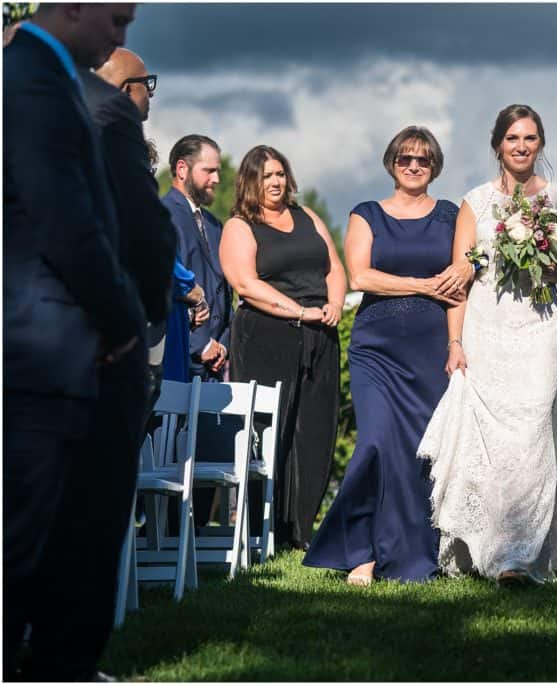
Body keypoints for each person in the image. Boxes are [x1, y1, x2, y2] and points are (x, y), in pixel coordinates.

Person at [23, 43, 179, 682]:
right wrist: (135, 318)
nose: (148, 97)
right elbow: (144, 237)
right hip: (93, 346)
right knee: (86, 513)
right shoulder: (110, 123)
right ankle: (63, 665)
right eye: (148, 84)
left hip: (29, 342)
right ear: (123, 85)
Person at [2, 3, 145, 680]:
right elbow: (68, 222)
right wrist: (121, 324)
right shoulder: (31, 79)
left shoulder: (42, 75)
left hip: (43, 348)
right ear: (73, 5)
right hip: (37, 350)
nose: (120, 39)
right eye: (115, 21)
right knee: (19, 560)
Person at [417, 104, 557, 587]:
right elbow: (460, 280)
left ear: (541, 144)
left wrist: (545, 259)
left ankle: (521, 555)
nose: (521, 146)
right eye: (512, 138)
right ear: (497, 144)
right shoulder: (474, 202)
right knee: (491, 442)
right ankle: (488, 547)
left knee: (531, 433)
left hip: (539, 328)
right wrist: (455, 341)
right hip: (486, 329)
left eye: (530, 138)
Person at [305, 127, 462, 584]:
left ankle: (417, 554)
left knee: (421, 452)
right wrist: (422, 284)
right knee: (374, 442)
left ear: (434, 166)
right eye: (405, 158)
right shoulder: (366, 213)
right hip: (377, 348)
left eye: (424, 160)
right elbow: (360, 276)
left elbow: (460, 280)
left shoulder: (451, 215)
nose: (414, 166)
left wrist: (456, 341)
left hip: (431, 346)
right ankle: (360, 550)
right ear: (391, 162)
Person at [220, 145, 346, 551]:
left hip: (319, 333)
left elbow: (334, 266)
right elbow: (245, 284)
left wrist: (335, 305)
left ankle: (302, 531)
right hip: (267, 334)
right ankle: (262, 528)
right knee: (268, 431)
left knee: (315, 430)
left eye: (279, 174)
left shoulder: (307, 217)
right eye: (266, 176)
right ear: (250, 183)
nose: (275, 182)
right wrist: (299, 312)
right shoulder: (240, 226)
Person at [163, 134, 231, 381]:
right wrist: (200, 345)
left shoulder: (215, 225)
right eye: (209, 171)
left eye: (218, 171)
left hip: (215, 367)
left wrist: (223, 344)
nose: (217, 179)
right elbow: (167, 282)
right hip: (177, 360)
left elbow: (225, 289)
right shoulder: (162, 215)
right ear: (182, 169)